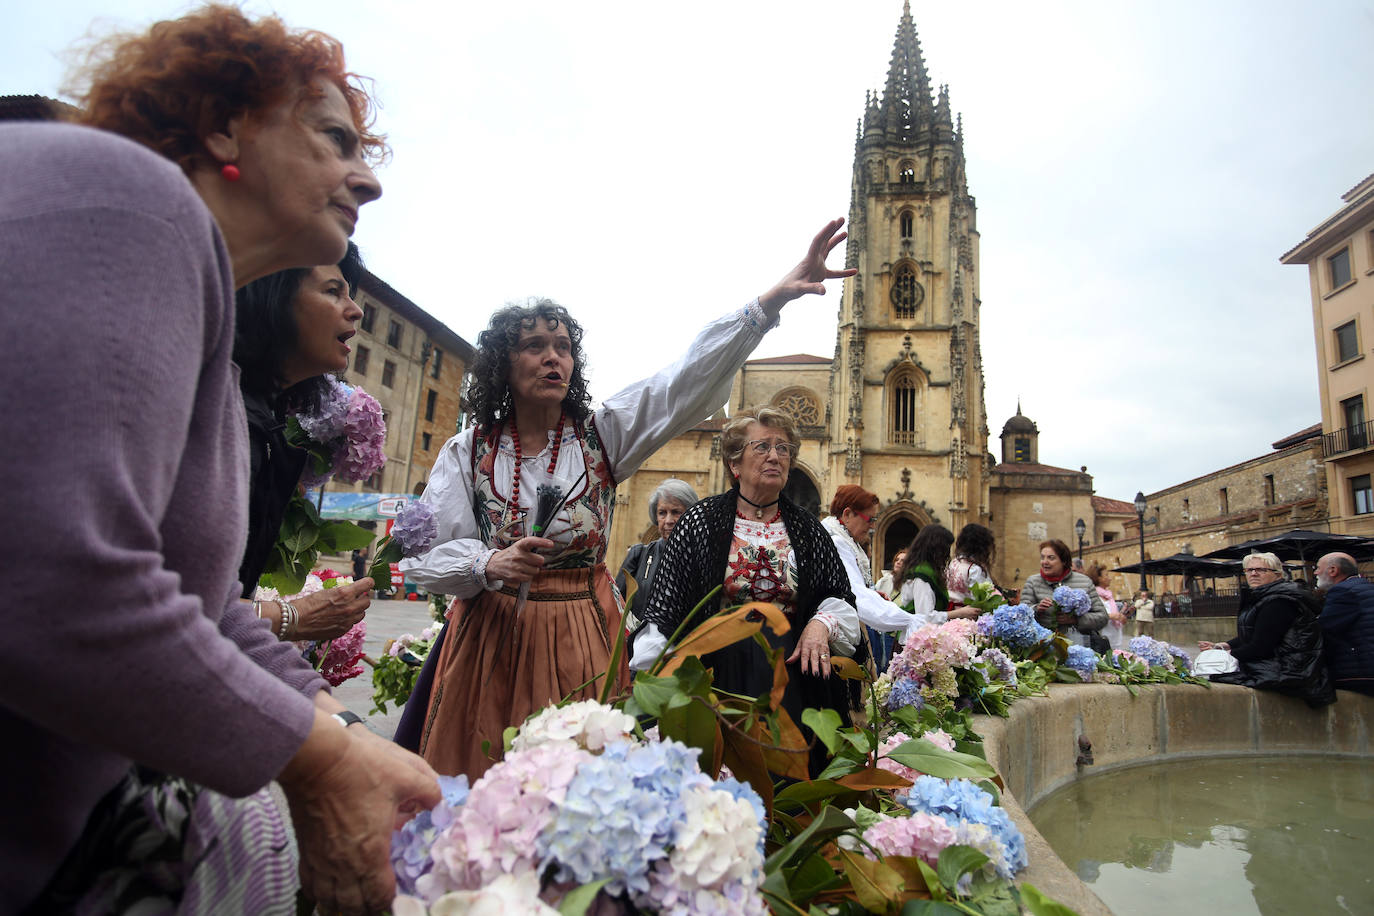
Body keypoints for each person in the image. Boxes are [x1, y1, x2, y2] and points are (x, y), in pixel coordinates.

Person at [0, 7, 440, 914]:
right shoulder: (132, 194)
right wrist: (318, 762)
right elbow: (51, 580)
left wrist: (344, 736)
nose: (369, 181)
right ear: (224, 125)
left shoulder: (209, 326)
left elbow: (202, 609)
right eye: (334, 140)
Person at [397, 220, 856, 778]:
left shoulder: (601, 435)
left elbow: (679, 384)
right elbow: (420, 555)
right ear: (502, 362)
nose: (554, 359)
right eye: (535, 347)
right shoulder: (468, 451)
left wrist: (769, 302)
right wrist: (488, 562)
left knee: (586, 783)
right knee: (485, 782)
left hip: (583, 637)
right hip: (492, 641)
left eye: (563, 348)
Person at [631, 408, 860, 776]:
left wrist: (822, 624)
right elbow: (666, 605)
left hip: (789, 674)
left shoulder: (808, 529)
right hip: (718, 672)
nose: (775, 456)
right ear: (735, 462)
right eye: (763, 446)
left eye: (784, 449)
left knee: (788, 782)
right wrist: (661, 676)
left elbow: (838, 596)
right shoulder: (701, 522)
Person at [234, 243, 374, 639]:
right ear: (272, 298)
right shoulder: (224, 417)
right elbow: (173, 605)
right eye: (333, 291)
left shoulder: (263, 419)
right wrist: (291, 618)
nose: (355, 310)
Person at [1201, 552, 1334, 706]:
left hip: (1289, 670)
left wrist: (1223, 656)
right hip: (1281, 666)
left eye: (1261, 570)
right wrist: (1226, 645)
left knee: (1212, 678)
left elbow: (1261, 647)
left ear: (1277, 574)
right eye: (1249, 570)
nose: (1254, 574)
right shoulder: (1267, 596)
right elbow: (1260, 632)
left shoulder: (1279, 601)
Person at [823, 485, 924, 675]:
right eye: (870, 519)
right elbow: (856, 596)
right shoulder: (836, 543)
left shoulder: (842, 540)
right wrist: (909, 620)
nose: (873, 526)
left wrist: (872, 594)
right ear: (847, 514)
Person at [615, 477, 700, 628]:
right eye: (662, 513)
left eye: (676, 512)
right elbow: (615, 604)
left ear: (691, 515)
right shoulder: (638, 555)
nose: (668, 520)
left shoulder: (702, 556)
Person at [1020, 539, 1108, 649]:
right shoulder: (1033, 582)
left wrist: (1076, 620)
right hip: (1043, 648)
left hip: (1080, 647)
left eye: (1051, 558)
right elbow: (1021, 614)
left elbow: (1102, 617)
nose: (1045, 562)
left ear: (1064, 561)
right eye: (1042, 557)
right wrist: (1037, 609)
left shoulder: (1085, 582)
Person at [1314, 552, 1374, 695]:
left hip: (1359, 672)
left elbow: (1323, 630)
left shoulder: (1343, 591)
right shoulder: (1364, 587)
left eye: (1317, 568)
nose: (1315, 572)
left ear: (1333, 570)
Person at [897, 524, 980, 626]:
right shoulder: (922, 575)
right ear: (936, 549)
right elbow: (925, 616)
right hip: (916, 637)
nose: (947, 554)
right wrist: (960, 613)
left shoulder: (924, 570)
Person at [945, 523, 997, 609]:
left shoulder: (954, 562)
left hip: (951, 612)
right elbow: (981, 599)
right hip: (967, 615)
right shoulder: (974, 569)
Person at [1088, 563, 1125, 650]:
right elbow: (1091, 615)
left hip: (1115, 637)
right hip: (1102, 637)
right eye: (1106, 575)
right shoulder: (1093, 595)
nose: (1110, 578)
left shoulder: (1108, 595)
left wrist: (1122, 616)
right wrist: (1110, 616)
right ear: (1099, 578)